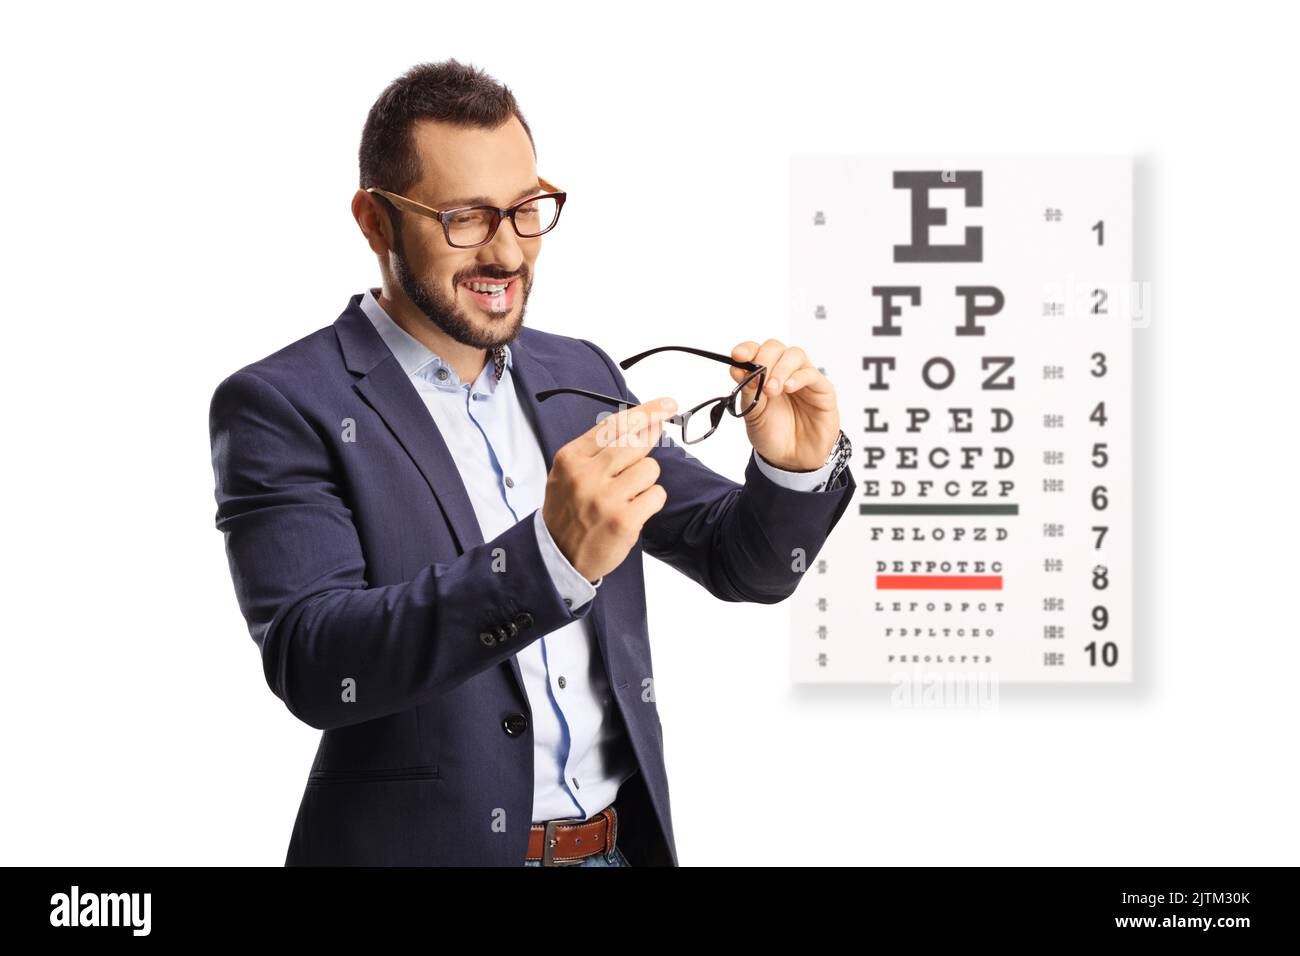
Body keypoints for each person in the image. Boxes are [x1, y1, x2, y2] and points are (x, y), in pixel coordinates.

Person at [208, 59, 855, 867]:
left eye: (525, 211)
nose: (508, 253)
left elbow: (744, 564)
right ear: (375, 222)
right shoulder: (280, 404)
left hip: (618, 849)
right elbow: (316, 660)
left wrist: (792, 472)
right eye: (467, 218)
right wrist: (549, 559)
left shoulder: (579, 375)